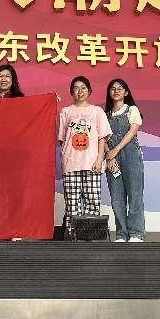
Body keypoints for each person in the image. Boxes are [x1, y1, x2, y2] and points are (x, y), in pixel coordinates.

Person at [58, 76, 112, 241]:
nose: (80, 91)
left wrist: (99, 159)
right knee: (72, 204)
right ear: (71, 92)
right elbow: (62, 139)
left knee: (93, 202)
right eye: (76, 88)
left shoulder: (97, 111)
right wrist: (66, 158)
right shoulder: (66, 111)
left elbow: (102, 137)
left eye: (83, 88)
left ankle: (90, 238)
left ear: (89, 91)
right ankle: (72, 237)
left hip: (92, 164)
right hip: (71, 164)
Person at [104, 79, 145, 242]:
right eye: (113, 89)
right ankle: (121, 234)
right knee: (117, 198)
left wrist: (116, 149)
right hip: (112, 159)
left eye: (120, 88)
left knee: (135, 195)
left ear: (126, 92)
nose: (116, 91)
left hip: (131, 156)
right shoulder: (105, 115)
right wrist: (109, 156)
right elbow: (102, 137)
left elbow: (132, 131)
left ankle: (136, 233)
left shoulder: (132, 110)